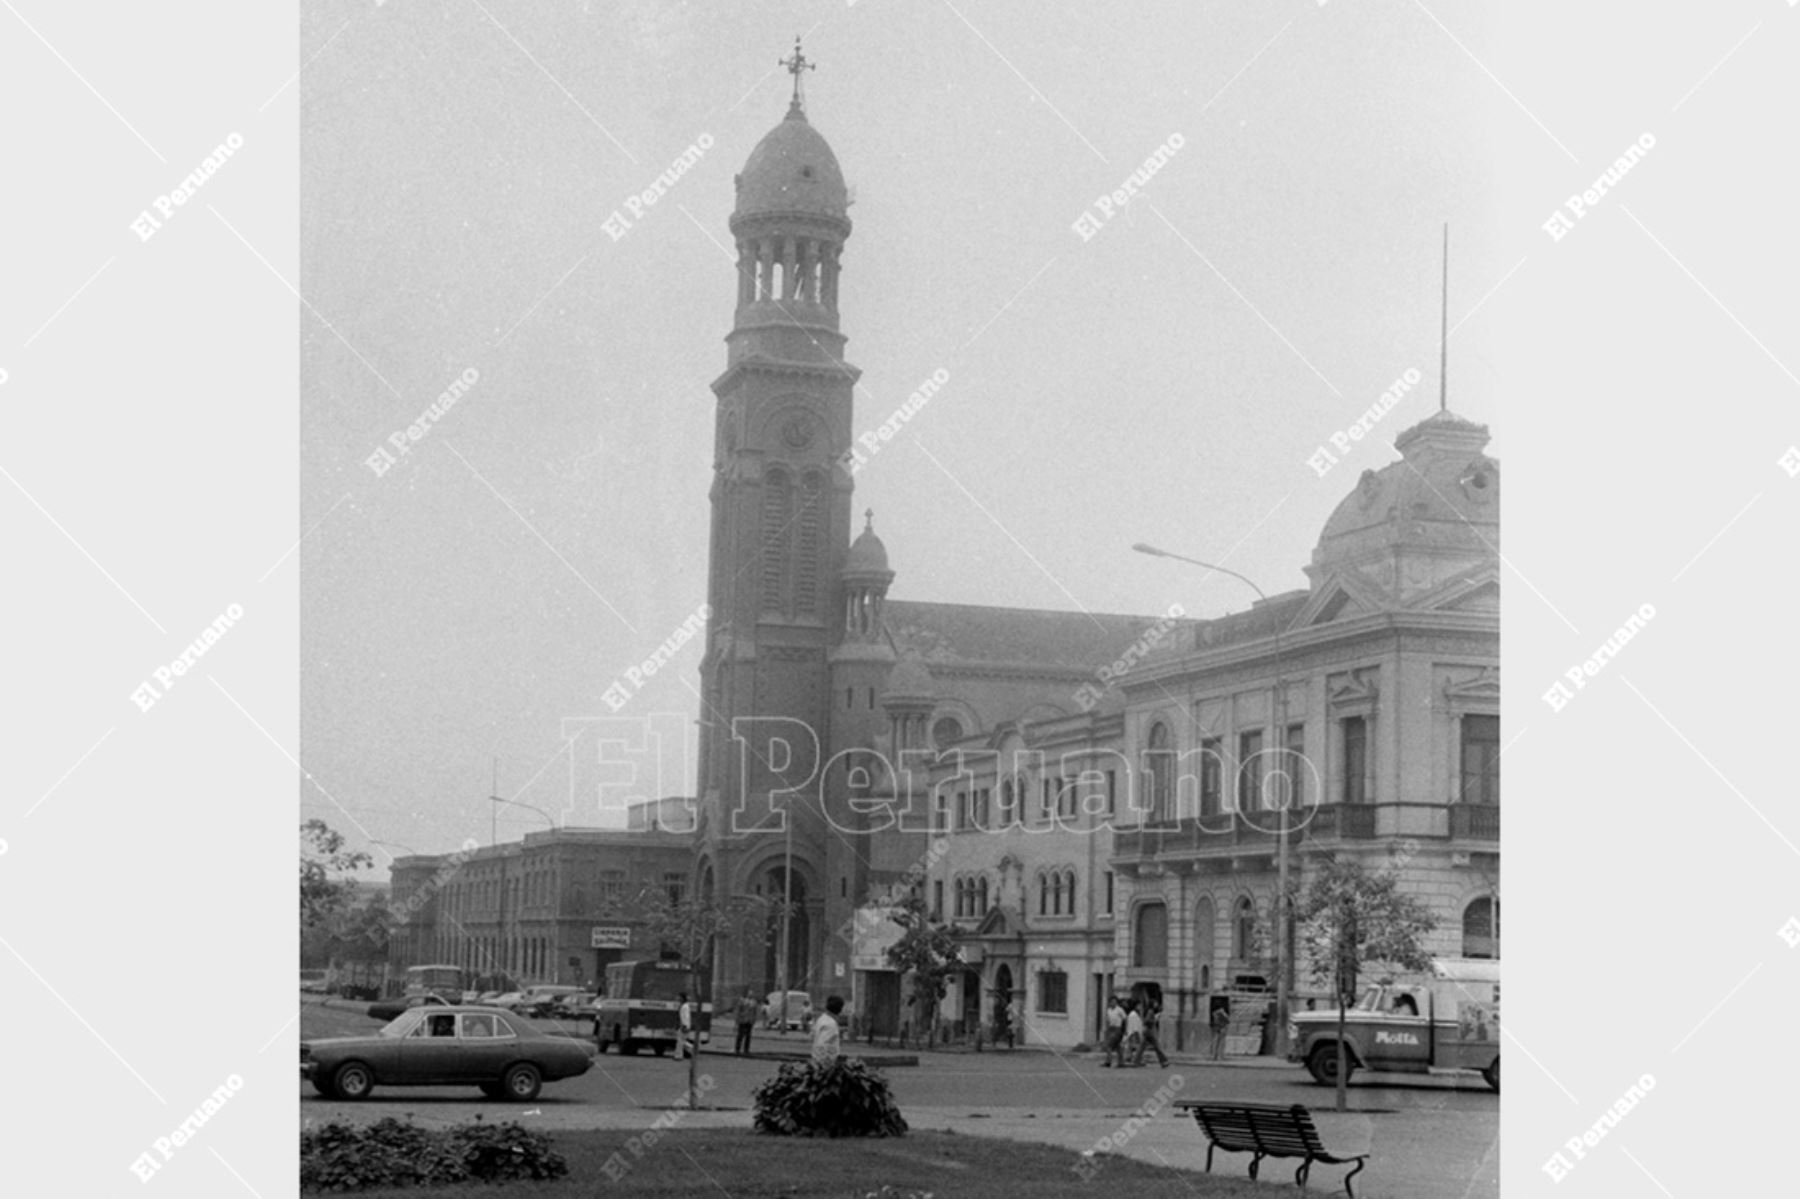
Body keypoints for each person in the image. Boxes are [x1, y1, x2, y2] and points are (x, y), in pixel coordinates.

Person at [1132, 1001, 1170, 1068]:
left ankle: (1136, 1061)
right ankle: (1164, 1061)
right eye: (1155, 1003)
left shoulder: (1148, 1011)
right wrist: (1155, 1019)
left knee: (1141, 1047)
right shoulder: (1150, 1011)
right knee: (1157, 1047)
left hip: (1147, 1031)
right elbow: (1147, 1020)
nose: (1156, 1004)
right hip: (1150, 1031)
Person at [811, 995, 844, 1065]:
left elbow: (813, 1035)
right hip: (825, 1062)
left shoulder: (822, 1019)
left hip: (817, 1059)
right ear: (840, 1010)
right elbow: (822, 1044)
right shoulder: (831, 1024)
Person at [1101, 995, 1126, 1067]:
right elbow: (1107, 1020)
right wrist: (1107, 1029)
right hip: (1111, 1029)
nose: (1113, 1003)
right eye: (1112, 1002)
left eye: (1115, 1002)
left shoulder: (1119, 1010)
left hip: (1117, 1029)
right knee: (1117, 1046)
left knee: (1109, 1045)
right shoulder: (1108, 1010)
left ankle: (1108, 1061)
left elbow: (1125, 1019)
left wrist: (1124, 1029)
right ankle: (1121, 1062)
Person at [734, 987, 758, 1056]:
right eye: (750, 993)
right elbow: (738, 1010)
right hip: (742, 1020)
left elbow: (755, 1012)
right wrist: (737, 1020)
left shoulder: (754, 1002)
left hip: (749, 1021)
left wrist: (754, 1020)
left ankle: (746, 1049)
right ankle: (737, 1049)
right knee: (740, 1035)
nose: (751, 994)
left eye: (752, 993)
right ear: (747, 994)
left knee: (748, 1036)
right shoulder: (742, 1001)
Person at [1123, 1000, 1145, 1066]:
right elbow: (1134, 1027)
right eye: (1139, 1005)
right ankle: (1135, 1060)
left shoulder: (1135, 1014)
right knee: (1135, 1048)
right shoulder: (1133, 1015)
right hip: (1133, 1034)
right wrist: (1136, 1035)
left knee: (1132, 1048)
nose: (1141, 1007)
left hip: (1134, 1033)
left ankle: (1133, 1060)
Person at [676, 992, 694, 1060]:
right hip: (683, 1025)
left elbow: (686, 1017)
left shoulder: (685, 1006)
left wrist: (685, 1025)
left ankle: (679, 1056)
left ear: (682, 998)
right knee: (681, 1041)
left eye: (679, 997)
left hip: (684, 1026)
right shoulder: (684, 1006)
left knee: (680, 1041)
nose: (678, 998)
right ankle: (679, 1055)